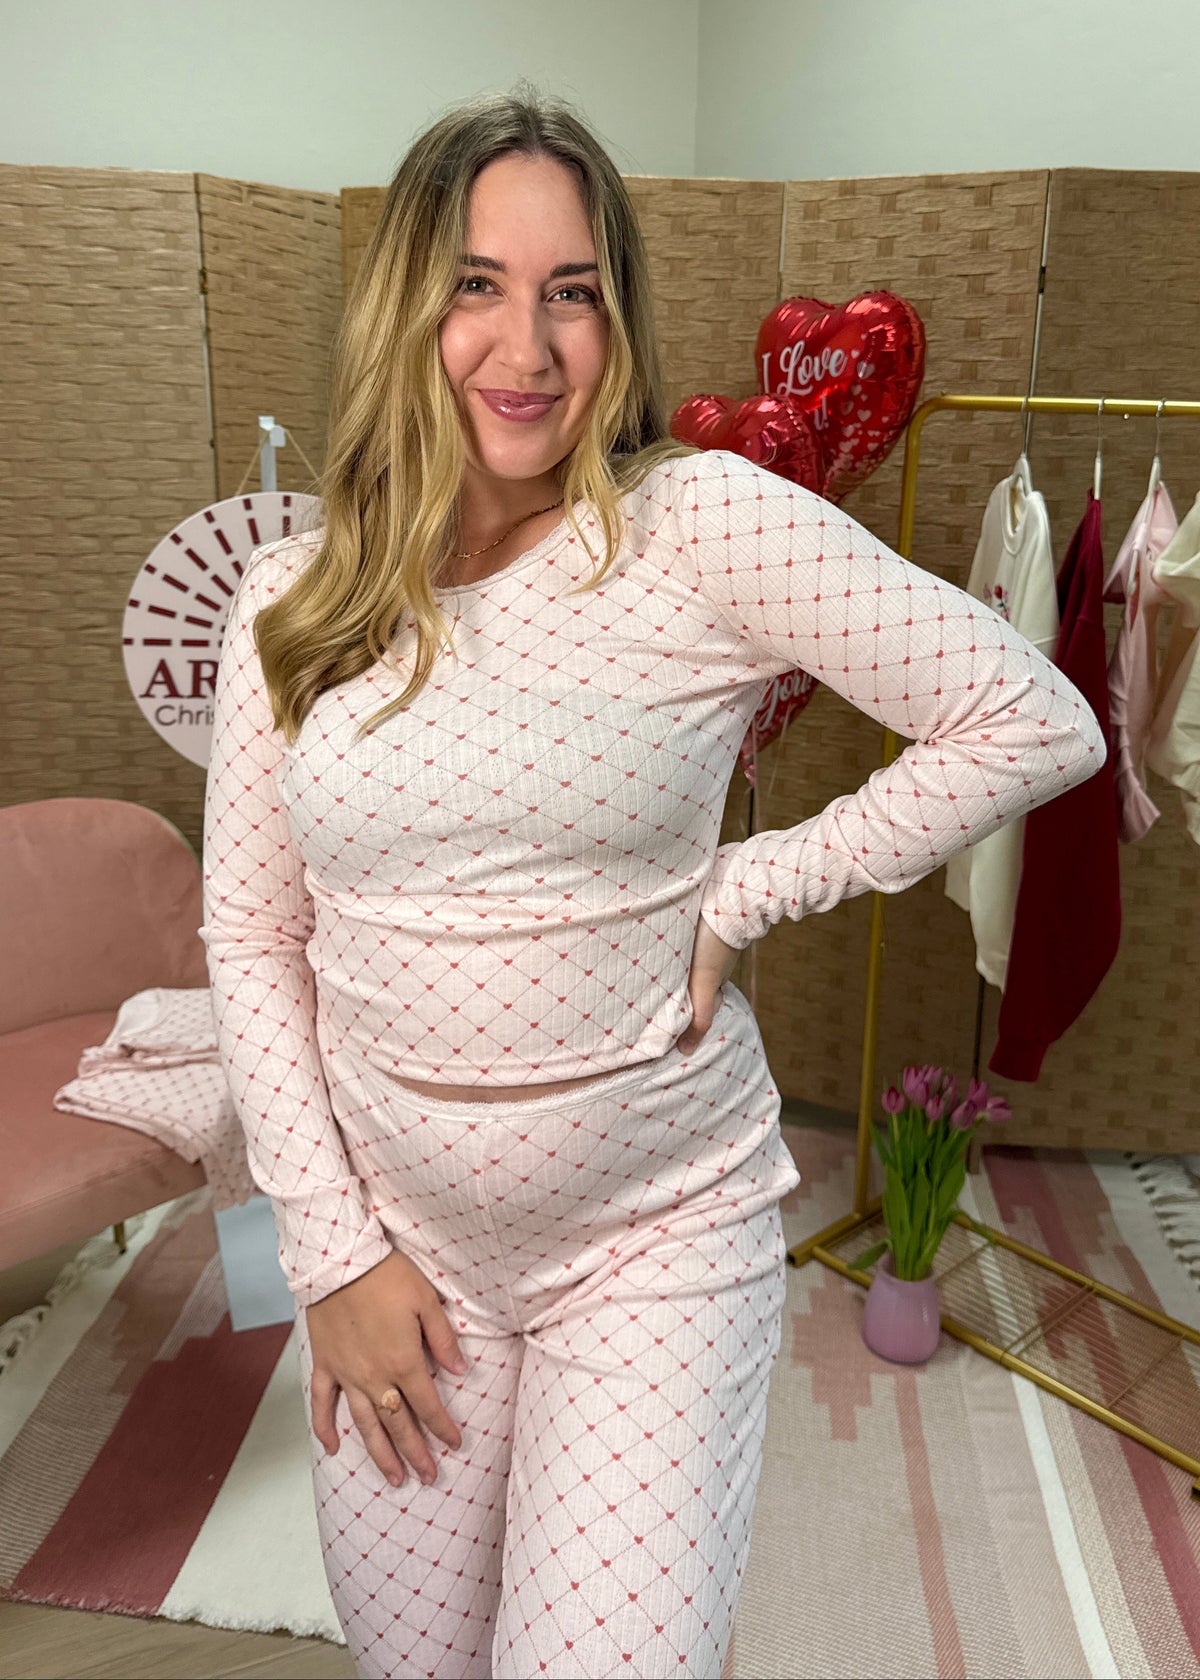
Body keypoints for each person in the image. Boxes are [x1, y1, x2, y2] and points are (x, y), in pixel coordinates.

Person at [199, 86, 1105, 1680]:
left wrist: (755, 882)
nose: (526, 349)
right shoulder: (295, 591)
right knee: (416, 1662)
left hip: (653, 1243)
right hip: (397, 1242)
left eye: (574, 293)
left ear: (621, 320)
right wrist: (333, 1253)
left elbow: (1033, 715)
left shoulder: (699, 528)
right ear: (405, 304)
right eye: (476, 285)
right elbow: (255, 933)